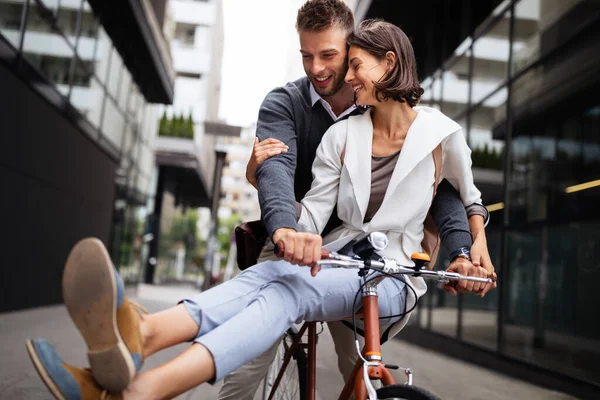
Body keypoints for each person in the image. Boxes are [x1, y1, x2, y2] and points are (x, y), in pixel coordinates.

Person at [26, 17, 497, 400]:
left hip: (392, 278)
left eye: (352, 64)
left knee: (287, 292)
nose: (346, 76)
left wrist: (473, 251)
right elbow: (306, 203)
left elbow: (461, 195)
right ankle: (139, 349)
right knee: (271, 277)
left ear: (389, 63)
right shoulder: (340, 134)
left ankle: (141, 370)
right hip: (335, 258)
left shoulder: (441, 133)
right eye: (331, 62)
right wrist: (291, 231)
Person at [218, 0, 493, 398]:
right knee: (250, 355)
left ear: (352, 50)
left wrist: (463, 249)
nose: (316, 68)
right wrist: (283, 229)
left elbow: (441, 190)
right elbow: (277, 171)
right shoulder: (285, 103)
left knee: (361, 369)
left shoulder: (382, 108)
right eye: (306, 56)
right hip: (296, 238)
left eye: (329, 55)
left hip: (359, 256)